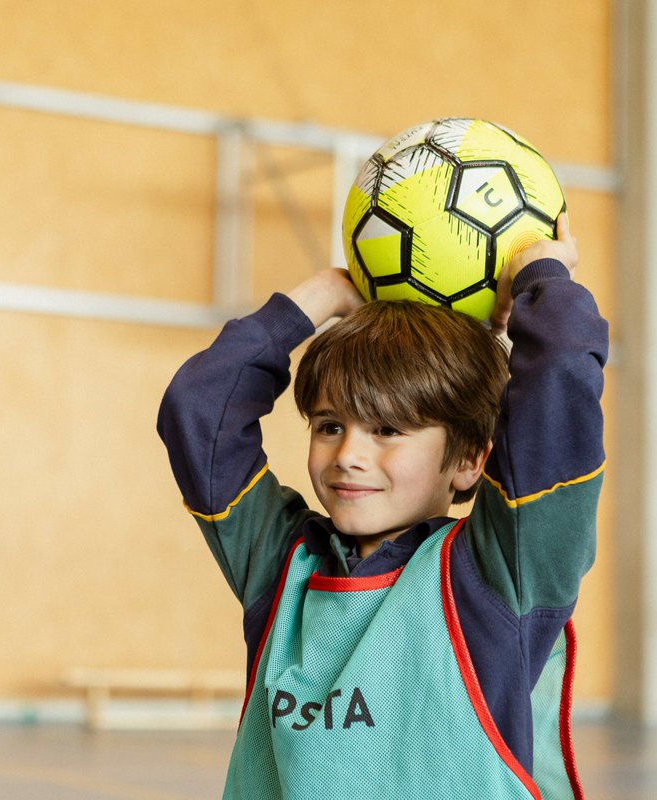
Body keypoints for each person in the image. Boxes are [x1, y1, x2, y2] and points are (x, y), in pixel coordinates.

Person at [157, 214, 608, 799]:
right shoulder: (280, 564)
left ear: (470, 459)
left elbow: (558, 391)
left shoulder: (497, 573)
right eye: (328, 424)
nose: (349, 454)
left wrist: (538, 279)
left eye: (389, 429)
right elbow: (197, 407)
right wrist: (325, 293)